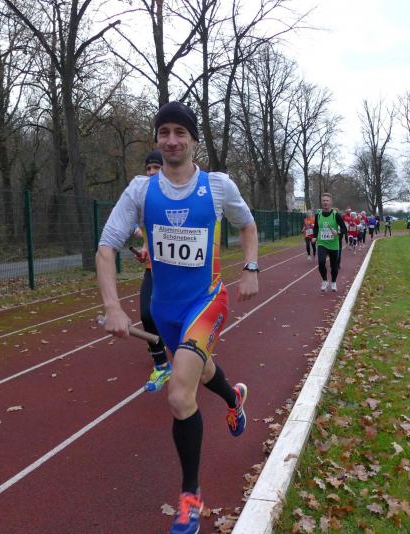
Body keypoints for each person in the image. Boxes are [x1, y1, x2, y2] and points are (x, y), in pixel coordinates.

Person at [96, 101, 259, 534]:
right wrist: (112, 306)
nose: (171, 140)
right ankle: (233, 398)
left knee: (179, 394)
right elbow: (106, 247)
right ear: (157, 139)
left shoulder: (217, 186)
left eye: (180, 133)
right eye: (164, 132)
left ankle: (190, 498)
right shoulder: (140, 191)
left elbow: (247, 225)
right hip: (164, 310)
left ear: (193, 140)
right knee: (202, 370)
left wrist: (251, 268)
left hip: (206, 302)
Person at [131, 149, 172, 393]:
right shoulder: (143, 200)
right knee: (146, 314)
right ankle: (161, 363)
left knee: (175, 318)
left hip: (177, 271)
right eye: (148, 168)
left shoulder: (176, 195)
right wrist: (144, 251)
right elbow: (148, 236)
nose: (151, 172)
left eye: (156, 168)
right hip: (153, 268)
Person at [312, 192, 348, 292]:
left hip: (333, 244)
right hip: (322, 243)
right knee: (321, 263)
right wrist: (315, 236)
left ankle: (333, 282)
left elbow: (344, 229)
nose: (325, 202)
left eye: (327, 201)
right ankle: (324, 281)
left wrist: (338, 232)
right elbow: (316, 227)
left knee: (334, 266)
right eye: (324, 201)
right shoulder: (318, 215)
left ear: (330, 202)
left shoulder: (336, 215)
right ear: (321, 202)